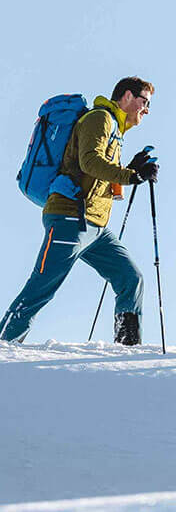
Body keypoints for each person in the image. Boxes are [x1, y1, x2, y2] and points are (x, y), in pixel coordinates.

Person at [4, 77, 159, 346]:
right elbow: (90, 162)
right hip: (69, 218)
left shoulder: (115, 130)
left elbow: (99, 175)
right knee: (42, 286)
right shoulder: (99, 119)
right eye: (144, 102)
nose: (146, 109)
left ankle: (127, 347)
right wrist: (130, 177)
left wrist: (132, 170)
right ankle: (5, 343)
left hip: (95, 227)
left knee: (130, 278)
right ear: (126, 96)